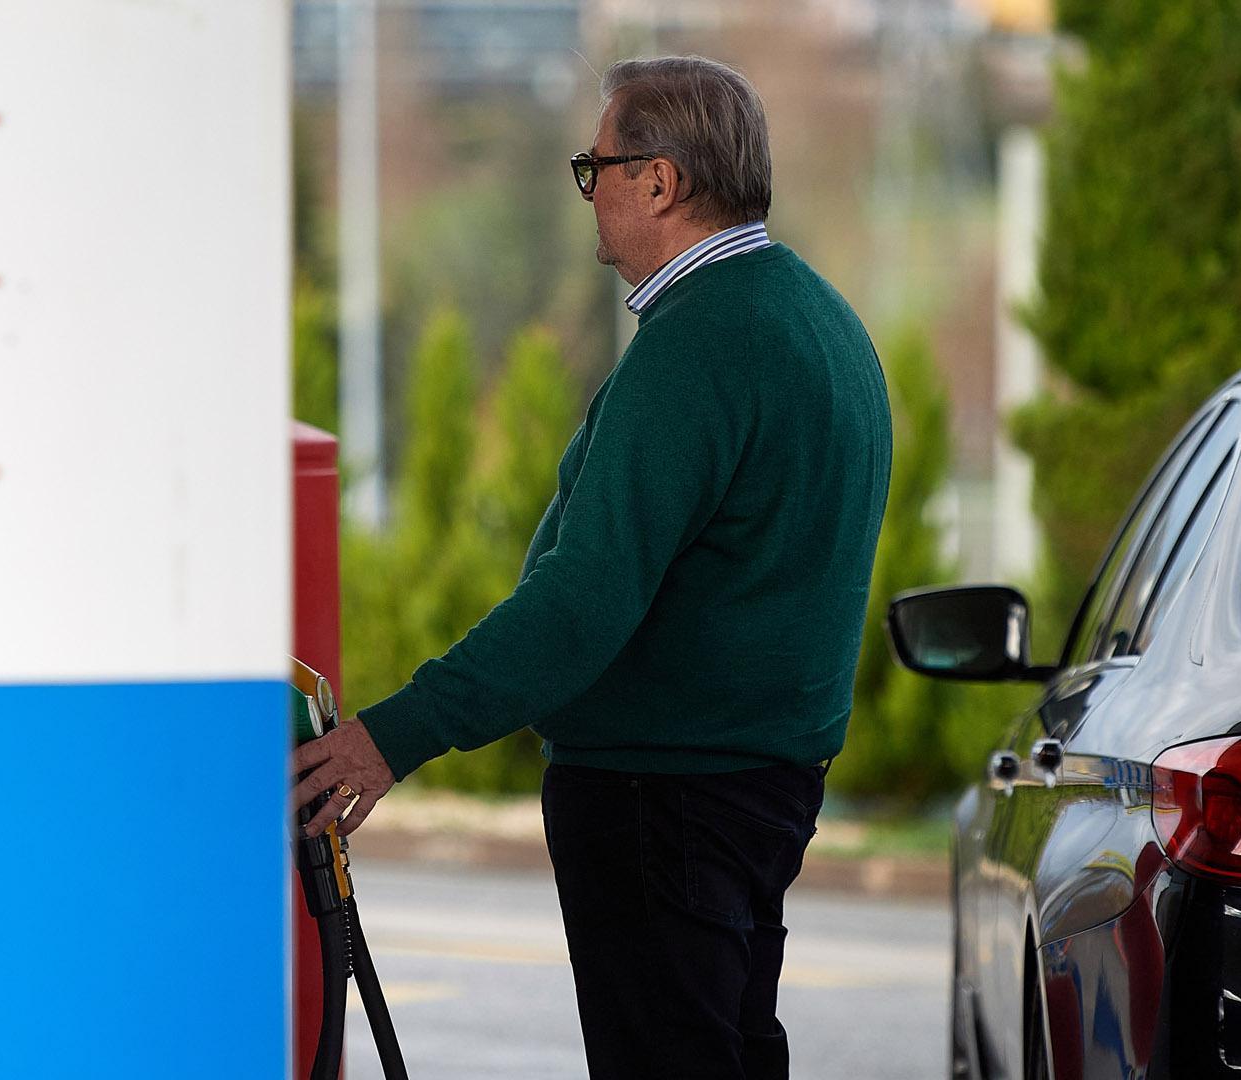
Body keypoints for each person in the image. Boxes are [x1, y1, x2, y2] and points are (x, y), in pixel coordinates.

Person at [289, 55, 892, 1080]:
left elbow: (582, 602)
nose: (591, 193)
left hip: (667, 799)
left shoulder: (698, 344)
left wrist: (397, 734)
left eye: (597, 167)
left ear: (659, 181)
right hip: (756, 787)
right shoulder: (818, 319)